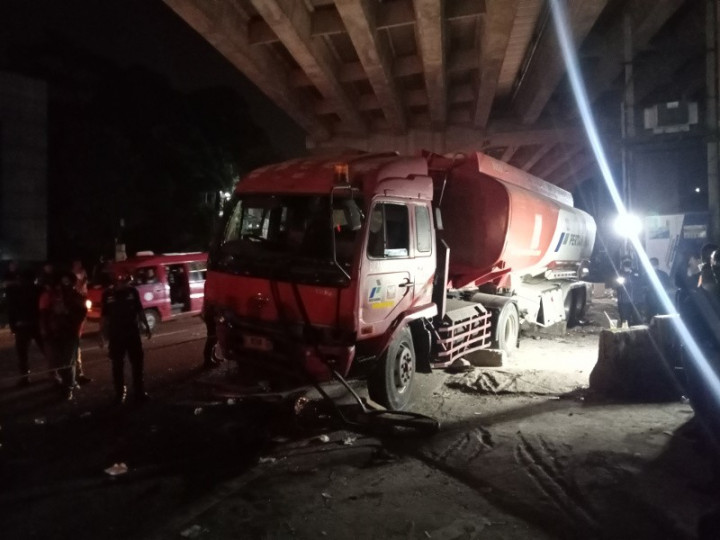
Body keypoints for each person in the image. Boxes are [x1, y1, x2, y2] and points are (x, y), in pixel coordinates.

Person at [100, 272, 152, 404]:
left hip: (132, 333)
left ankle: (139, 392)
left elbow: (140, 310)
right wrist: (101, 334)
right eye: (123, 281)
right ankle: (120, 393)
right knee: (117, 365)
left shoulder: (133, 291)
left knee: (137, 364)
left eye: (127, 281)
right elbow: (104, 316)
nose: (125, 283)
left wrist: (146, 326)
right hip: (116, 335)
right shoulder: (107, 294)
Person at [39, 272, 87, 401]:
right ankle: (65, 384)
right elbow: (45, 314)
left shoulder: (77, 297)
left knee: (68, 362)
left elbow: (81, 314)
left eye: (67, 281)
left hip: (70, 333)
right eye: (62, 281)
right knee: (58, 361)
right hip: (55, 333)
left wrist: (67, 314)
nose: (64, 284)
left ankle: (68, 388)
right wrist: (47, 330)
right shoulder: (54, 296)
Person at [7, 269, 44, 386]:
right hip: (37, 324)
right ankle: (56, 373)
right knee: (47, 350)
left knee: (22, 353)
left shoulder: (15, 291)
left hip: (22, 325)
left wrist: (13, 326)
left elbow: (11, 310)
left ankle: (25, 377)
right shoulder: (39, 289)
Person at [70, 259, 92, 385]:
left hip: (75, 329)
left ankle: (78, 373)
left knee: (76, 347)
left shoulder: (80, 297)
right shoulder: (67, 295)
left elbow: (82, 313)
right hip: (67, 329)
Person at [616, 258, 643, 326]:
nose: (627, 263)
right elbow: (616, 285)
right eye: (625, 261)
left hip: (636, 300)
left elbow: (641, 283)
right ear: (622, 263)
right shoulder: (619, 273)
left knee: (637, 320)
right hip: (624, 301)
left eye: (629, 261)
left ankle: (637, 335)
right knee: (625, 320)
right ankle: (626, 334)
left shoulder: (636, 272)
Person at [645, 257, 672, 322]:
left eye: (654, 263)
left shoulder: (663, 274)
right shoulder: (646, 275)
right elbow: (643, 286)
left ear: (657, 264)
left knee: (662, 319)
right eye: (652, 264)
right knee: (651, 319)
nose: (653, 265)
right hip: (650, 301)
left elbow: (668, 286)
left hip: (661, 301)